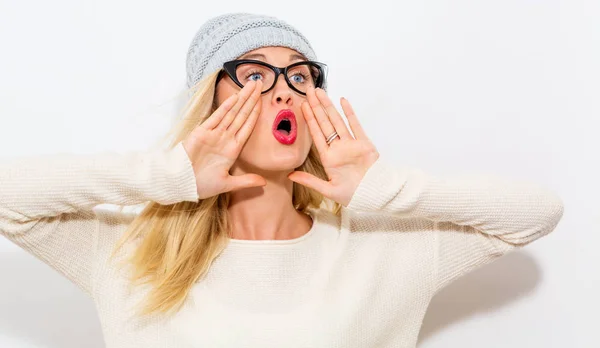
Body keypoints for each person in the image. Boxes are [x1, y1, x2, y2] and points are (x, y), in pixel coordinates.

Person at [0, 12, 564, 348]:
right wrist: (170, 175)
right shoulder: (129, 256)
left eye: (299, 74)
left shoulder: (378, 250)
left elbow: (535, 213)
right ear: (209, 104)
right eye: (253, 73)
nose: (282, 89)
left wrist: (382, 189)